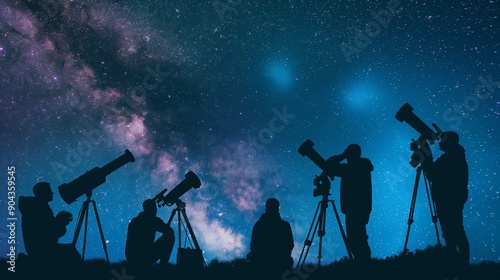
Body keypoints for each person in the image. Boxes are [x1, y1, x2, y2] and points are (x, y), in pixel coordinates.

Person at [421, 131, 470, 272]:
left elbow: (432, 173)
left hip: (449, 200)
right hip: (450, 199)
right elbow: (433, 173)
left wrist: (425, 153)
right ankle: (458, 264)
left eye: (442, 140)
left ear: (448, 142)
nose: (439, 141)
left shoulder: (451, 158)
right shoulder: (454, 156)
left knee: (453, 232)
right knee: (453, 232)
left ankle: (457, 265)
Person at [326, 144, 373, 263]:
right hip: (360, 208)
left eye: (348, 154)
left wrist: (342, 155)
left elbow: (329, 165)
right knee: (357, 238)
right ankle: (363, 263)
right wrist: (344, 155)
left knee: (356, 239)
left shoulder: (354, 167)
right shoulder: (361, 165)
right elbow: (329, 165)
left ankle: (364, 265)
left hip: (355, 209)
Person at [19, 182, 81, 265]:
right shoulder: (39, 208)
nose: (52, 193)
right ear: (42, 193)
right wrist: (60, 222)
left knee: (71, 251)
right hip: (41, 249)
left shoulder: (36, 206)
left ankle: (30, 260)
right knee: (72, 254)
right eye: (49, 191)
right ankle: (32, 261)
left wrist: (58, 221)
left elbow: (46, 229)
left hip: (38, 248)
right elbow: (48, 234)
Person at [247, 198, 294, 279]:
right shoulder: (284, 225)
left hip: (261, 265)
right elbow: (289, 245)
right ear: (278, 208)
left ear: (266, 208)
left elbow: (254, 245)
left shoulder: (259, 225)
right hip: (281, 264)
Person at [125, 199, 175, 275]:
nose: (155, 210)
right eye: (154, 208)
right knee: (169, 238)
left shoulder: (135, 221)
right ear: (152, 209)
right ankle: (162, 268)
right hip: (143, 257)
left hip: (131, 258)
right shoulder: (153, 220)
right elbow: (170, 231)